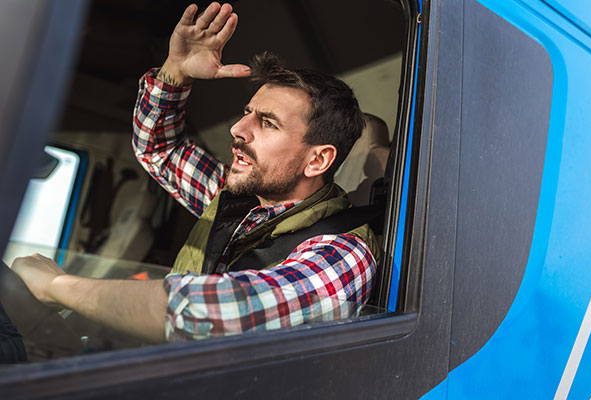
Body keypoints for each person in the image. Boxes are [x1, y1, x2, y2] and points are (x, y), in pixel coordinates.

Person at [10, 2, 378, 343]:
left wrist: (56, 286)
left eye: (267, 123)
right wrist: (176, 72)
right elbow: (160, 149)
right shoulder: (239, 201)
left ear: (317, 161)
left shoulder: (344, 252)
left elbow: (209, 314)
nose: (238, 129)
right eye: (247, 113)